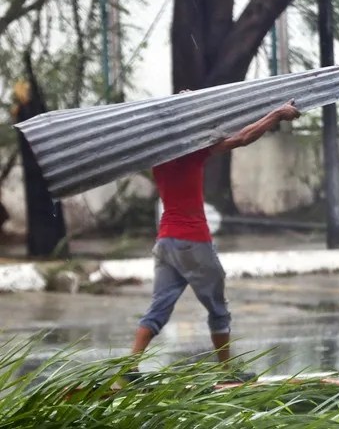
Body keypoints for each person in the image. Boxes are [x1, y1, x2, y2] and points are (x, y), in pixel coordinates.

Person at [127, 99, 301, 380]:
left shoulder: (157, 157)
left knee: (157, 310)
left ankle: (128, 369)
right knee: (219, 310)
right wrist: (277, 114)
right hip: (193, 242)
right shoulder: (191, 151)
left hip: (165, 243)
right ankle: (227, 373)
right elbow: (244, 137)